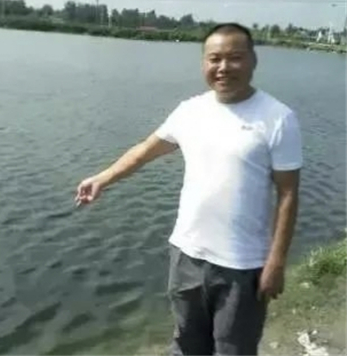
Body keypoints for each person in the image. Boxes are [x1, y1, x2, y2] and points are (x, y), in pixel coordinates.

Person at [75, 22, 303, 356]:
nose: (223, 67)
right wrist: (102, 179)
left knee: (234, 349)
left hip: (243, 264)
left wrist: (276, 262)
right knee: (186, 345)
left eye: (235, 58)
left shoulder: (278, 118)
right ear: (203, 63)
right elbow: (144, 151)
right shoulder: (190, 111)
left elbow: (288, 193)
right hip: (186, 255)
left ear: (253, 60)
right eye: (214, 59)